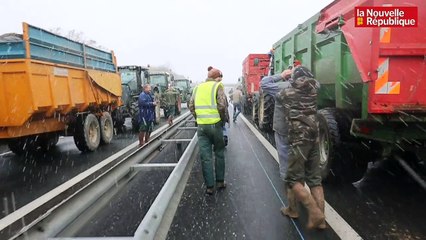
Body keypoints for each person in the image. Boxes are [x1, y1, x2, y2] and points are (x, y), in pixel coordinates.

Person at [277, 65, 325, 229]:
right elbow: (316, 83)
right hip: (315, 137)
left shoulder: (285, 93)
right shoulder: (314, 90)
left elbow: (269, 88)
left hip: (299, 139)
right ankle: (322, 221)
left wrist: (283, 77)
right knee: (315, 179)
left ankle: (313, 212)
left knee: (293, 179)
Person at [189, 66, 229, 195]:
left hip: (201, 127)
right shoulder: (218, 86)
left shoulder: (197, 88)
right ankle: (220, 182)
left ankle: (209, 187)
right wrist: (222, 120)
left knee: (205, 157)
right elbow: (222, 105)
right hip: (215, 125)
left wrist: (198, 118)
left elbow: (191, 106)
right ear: (217, 77)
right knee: (219, 153)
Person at [260, 69, 294, 217]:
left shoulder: (282, 88)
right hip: (301, 132)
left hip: (283, 130)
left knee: (287, 170)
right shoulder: (310, 87)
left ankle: (293, 208)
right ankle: (316, 212)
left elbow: (264, 83)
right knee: (306, 173)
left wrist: (282, 75)